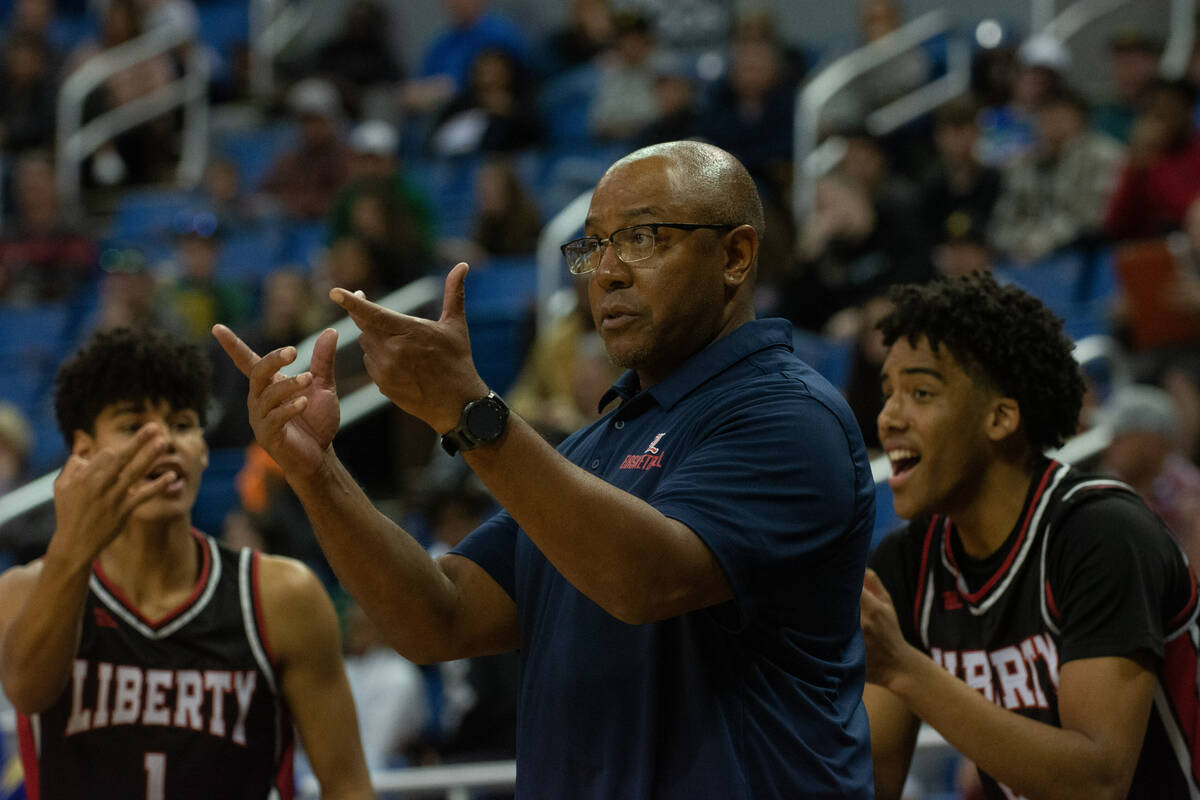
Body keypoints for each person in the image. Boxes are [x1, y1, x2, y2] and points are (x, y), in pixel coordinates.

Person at [214, 139, 877, 798]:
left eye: (641, 238)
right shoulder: (595, 446)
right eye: (593, 246)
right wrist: (315, 472)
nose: (606, 272)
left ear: (735, 256)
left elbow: (641, 583)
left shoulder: (791, 418)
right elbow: (436, 619)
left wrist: (471, 413)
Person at [861, 272, 1200, 799]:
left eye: (920, 392)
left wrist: (905, 670)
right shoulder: (907, 561)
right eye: (889, 395)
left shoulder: (1101, 534)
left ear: (1001, 417)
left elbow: (1099, 782)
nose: (889, 418)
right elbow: (872, 783)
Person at [0, 327, 373, 799]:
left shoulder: (281, 597)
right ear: (84, 451)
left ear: (202, 449)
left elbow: (348, 786)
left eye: (180, 424)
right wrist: (73, 543)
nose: (163, 443)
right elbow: (29, 692)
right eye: (134, 426)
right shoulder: (22, 591)